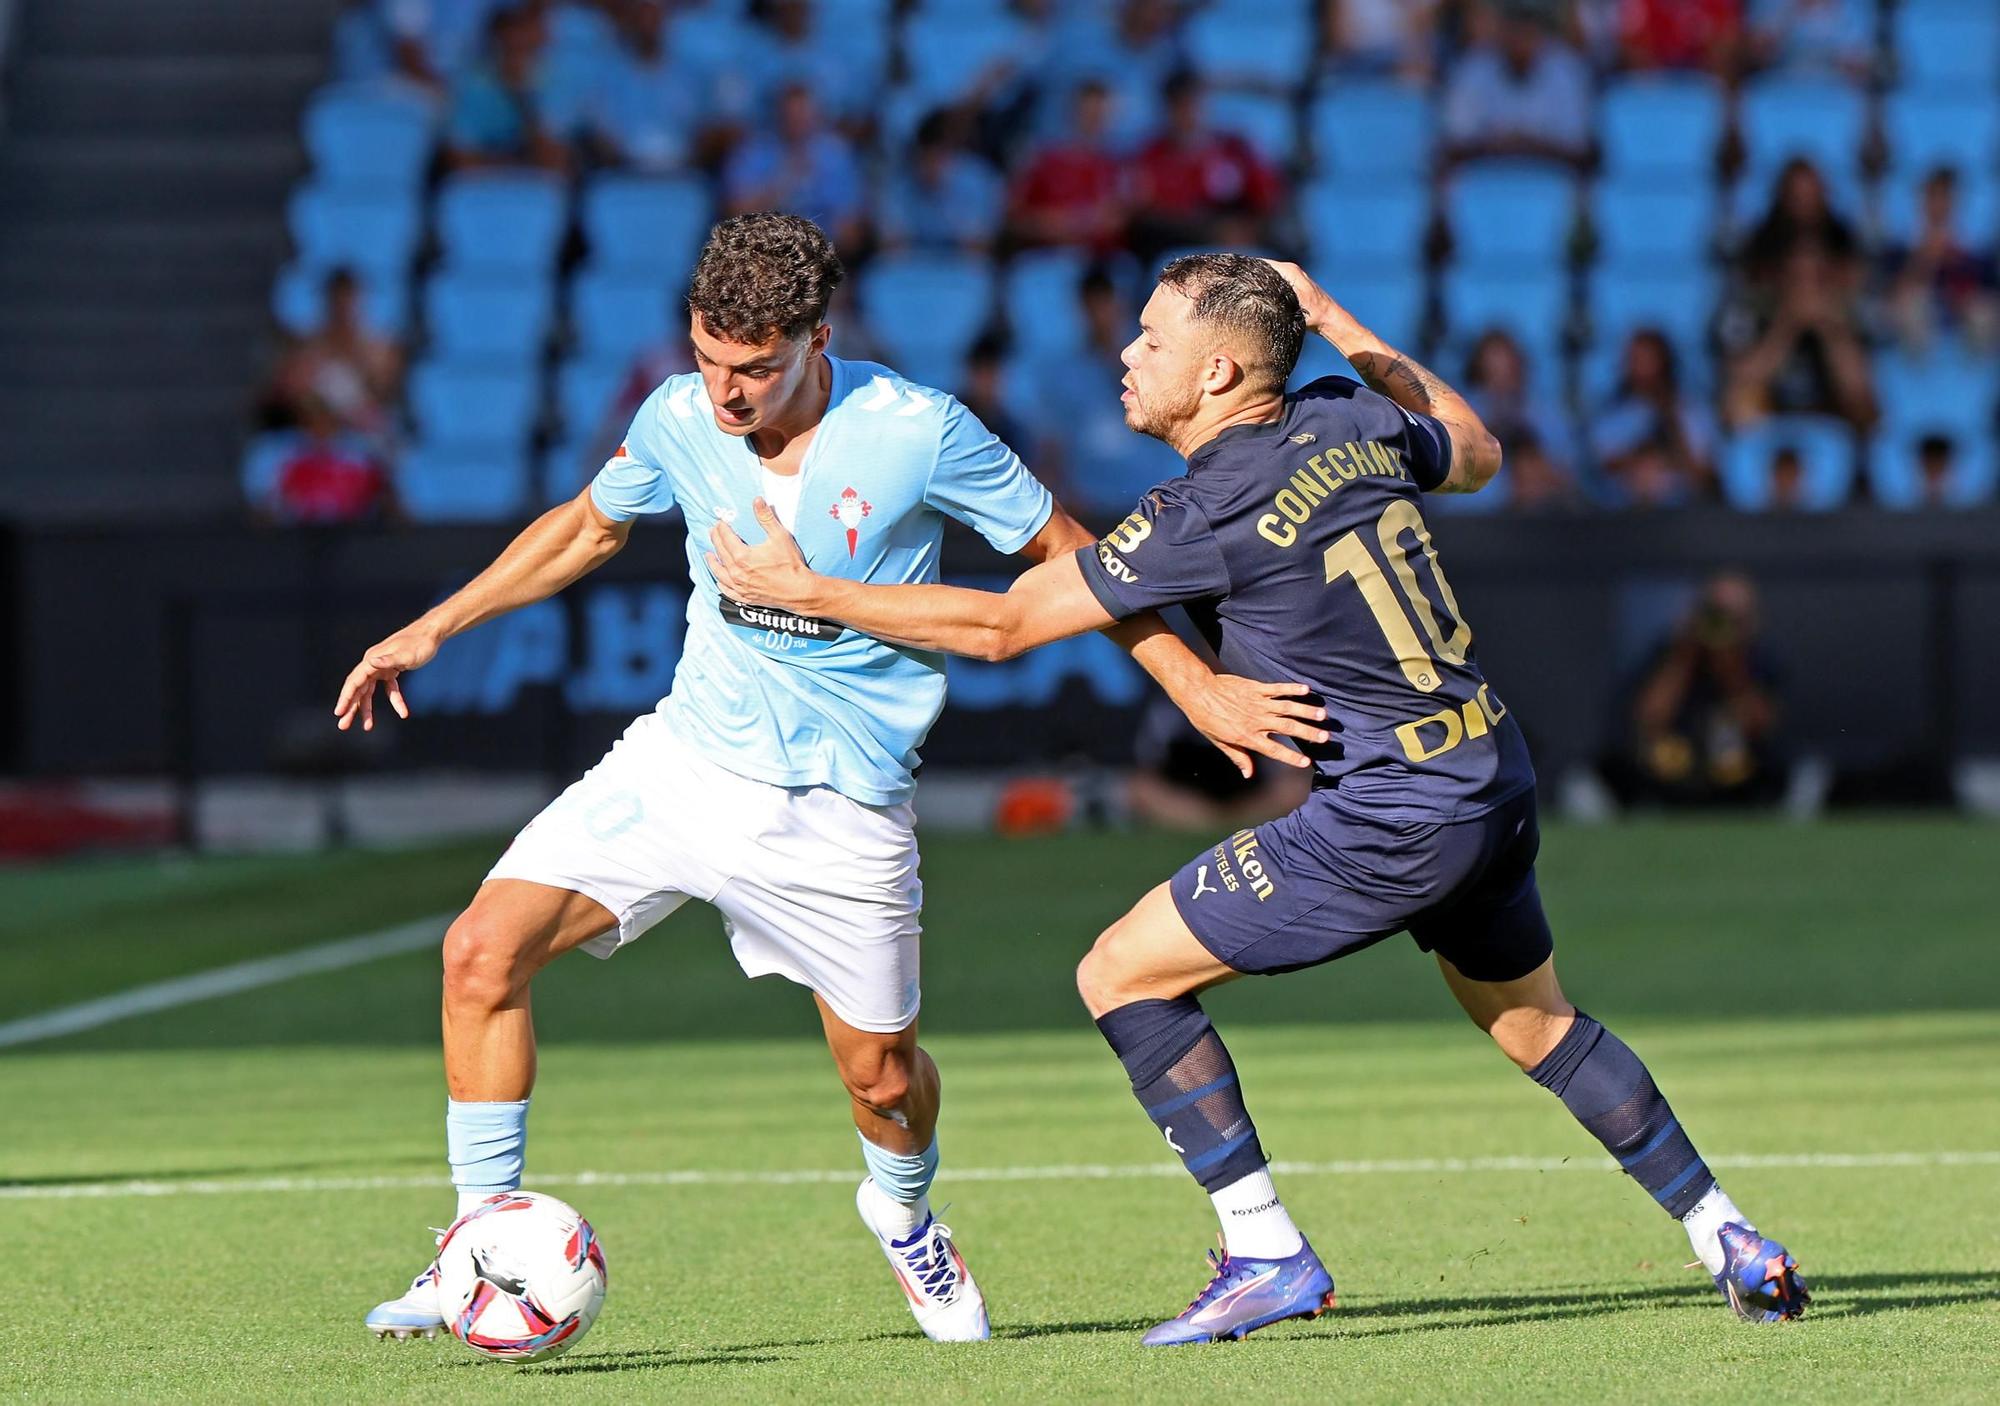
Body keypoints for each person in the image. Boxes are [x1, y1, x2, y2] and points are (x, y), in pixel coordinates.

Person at [708, 252, 1809, 1344]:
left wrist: (804, 591)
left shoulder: (1202, 508)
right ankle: (1724, 1233)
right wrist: (1329, 311)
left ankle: (1264, 1248)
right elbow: (1475, 449)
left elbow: (1001, 627)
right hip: (1488, 771)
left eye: (1152, 341)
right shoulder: (1349, 417)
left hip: (1392, 811)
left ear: (1224, 371)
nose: (1126, 356)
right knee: (1535, 1024)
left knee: (1118, 971)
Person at [337, 215, 1318, 1345]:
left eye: (754, 367)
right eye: (709, 359)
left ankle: (904, 1214)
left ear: (816, 338)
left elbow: (1068, 554)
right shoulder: (674, 414)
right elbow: (586, 530)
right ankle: (474, 1243)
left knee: (885, 1081)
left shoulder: (916, 430)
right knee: (478, 952)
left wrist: (1194, 688)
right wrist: (431, 626)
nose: (726, 391)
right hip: (685, 761)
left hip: (843, 806)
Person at [1608, 572, 1787, 806]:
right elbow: (1648, 719)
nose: (1722, 626)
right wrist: (1685, 655)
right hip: (1670, 781)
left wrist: (1731, 668)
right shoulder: (1672, 653)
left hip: (1741, 786)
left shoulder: (1760, 661)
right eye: (1715, 615)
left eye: (1733, 619)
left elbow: (1762, 727)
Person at [1440, 1, 1592, 172]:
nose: (1520, 38)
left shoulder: (1567, 68)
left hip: (1548, 179)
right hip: (1485, 179)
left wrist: (1523, 145)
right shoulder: (1473, 66)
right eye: (1514, 28)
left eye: (1528, 29)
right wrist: (1509, 145)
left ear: (1541, 32)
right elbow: (1454, 145)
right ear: (1501, 30)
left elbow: (1580, 150)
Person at [1588, 328, 1719, 506]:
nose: (1640, 367)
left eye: (1648, 359)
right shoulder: (1610, 415)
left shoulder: (1691, 410)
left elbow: (1703, 474)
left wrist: (1670, 425)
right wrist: (1638, 463)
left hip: (1683, 515)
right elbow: (1597, 468)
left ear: (1664, 360)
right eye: (1634, 359)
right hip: (1620, 517)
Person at [1884, 168, 2000, 356]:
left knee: (1983, 312)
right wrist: (1925, 259)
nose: (1940, 205)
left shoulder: (1977, 252)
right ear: (1921, 200)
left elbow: (1990, 291)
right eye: (1933, 196)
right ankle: (1919, 372)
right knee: (1912, 307)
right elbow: (1893, 293)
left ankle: (1975, 376)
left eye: (1946, 197)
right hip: (1917, 321)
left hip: (1967, 324)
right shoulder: (1900, 248)